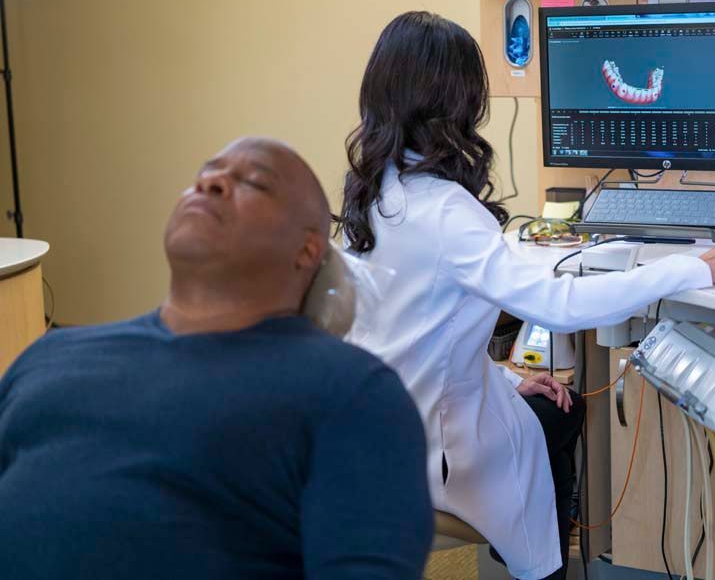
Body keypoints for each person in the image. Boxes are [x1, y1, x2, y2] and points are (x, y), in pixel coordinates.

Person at [338, 11, 715, 580]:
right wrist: (693, 268)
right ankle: (539, 565)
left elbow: (410, 335)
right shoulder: (448, 212)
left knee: (547, 404)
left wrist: (508, 379)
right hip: (435, 453)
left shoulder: (371, 197)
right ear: (457, 103)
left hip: (375, 439)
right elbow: (558, 306)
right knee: (565, 411)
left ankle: (530, 558)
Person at [0, 137, 433, 580]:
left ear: (308, 250)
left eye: (254, 182)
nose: (211, 183)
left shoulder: (350, 392)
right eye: (205, 173)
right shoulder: (49, 355)